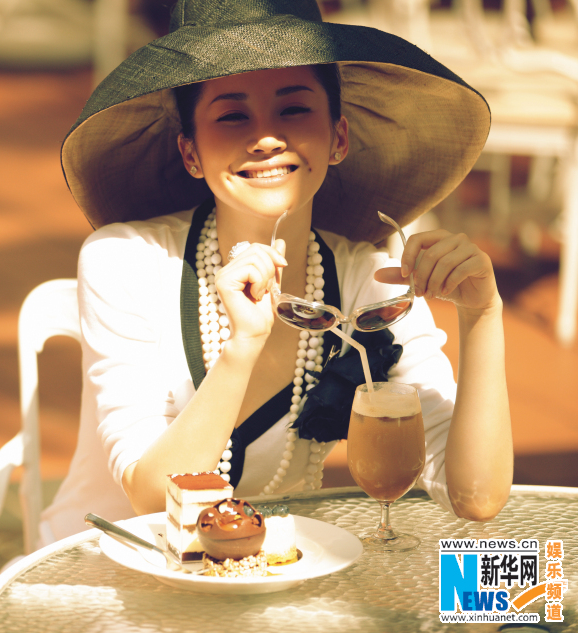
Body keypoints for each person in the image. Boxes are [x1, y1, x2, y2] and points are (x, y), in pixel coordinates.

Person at [38, 0, 512, 547]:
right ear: (190, 152)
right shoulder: (125, 259)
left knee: (513, 603)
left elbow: (477, 499)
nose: (265, 137)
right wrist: (243, 346)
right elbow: (150, 497)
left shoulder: (367, 278)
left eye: (293, 110)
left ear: (338, 137)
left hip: (268, 580)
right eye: (232, 115)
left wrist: (483, 315)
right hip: (107, 578)